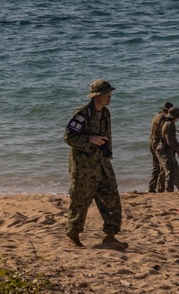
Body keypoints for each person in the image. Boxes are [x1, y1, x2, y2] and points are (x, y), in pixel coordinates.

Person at [63, 79, 127, 250]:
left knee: (112, 200)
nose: (109, 97)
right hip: (84, 168)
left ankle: (110, 236)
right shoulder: (82, 114)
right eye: (107, 94)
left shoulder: (105, 113)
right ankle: (73, 236)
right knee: (80, 202)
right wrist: (89, 140)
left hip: (103, 165)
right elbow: (68, 137)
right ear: (97, 96)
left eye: (110, 94)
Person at [155, 107, 179, 192]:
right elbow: (170, 141)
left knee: (173, 169)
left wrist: (177, 150)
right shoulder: (170, 125)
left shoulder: (168, 123)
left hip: (164, 150)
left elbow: (170, 141)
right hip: (165, 151)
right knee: (171, 171)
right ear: (175, 117)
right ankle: (169, 190)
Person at [148, 101, 174, 193]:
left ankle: (151, 188)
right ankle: (160, 188)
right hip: (158, 142)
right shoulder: (164, 117)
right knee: (162, 166)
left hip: (151, 141)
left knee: (156, 166)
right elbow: (165, 132)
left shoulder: (157, 116)